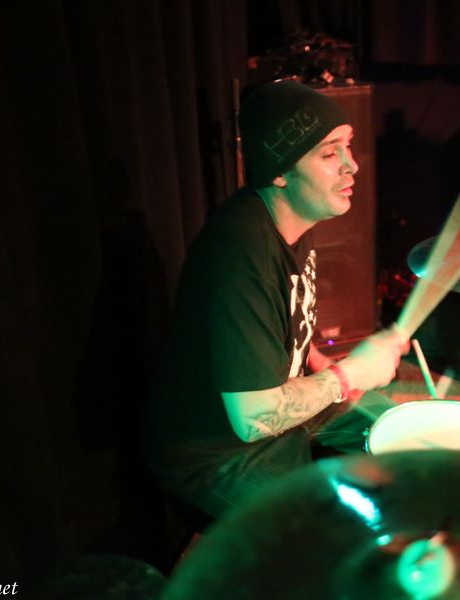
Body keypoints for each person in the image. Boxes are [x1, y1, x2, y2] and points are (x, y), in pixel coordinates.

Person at [143, 80, 409, 518]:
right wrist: (347, 375)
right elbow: (253, 420)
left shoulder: (292, 220)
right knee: (329, 532)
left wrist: (322, 365)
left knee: (406, 436)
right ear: (280, 172)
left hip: (277, 406)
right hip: (218, 452)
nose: (352, 166)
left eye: (348, 146)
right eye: (329, 154)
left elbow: (287, 327)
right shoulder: (240, 256)